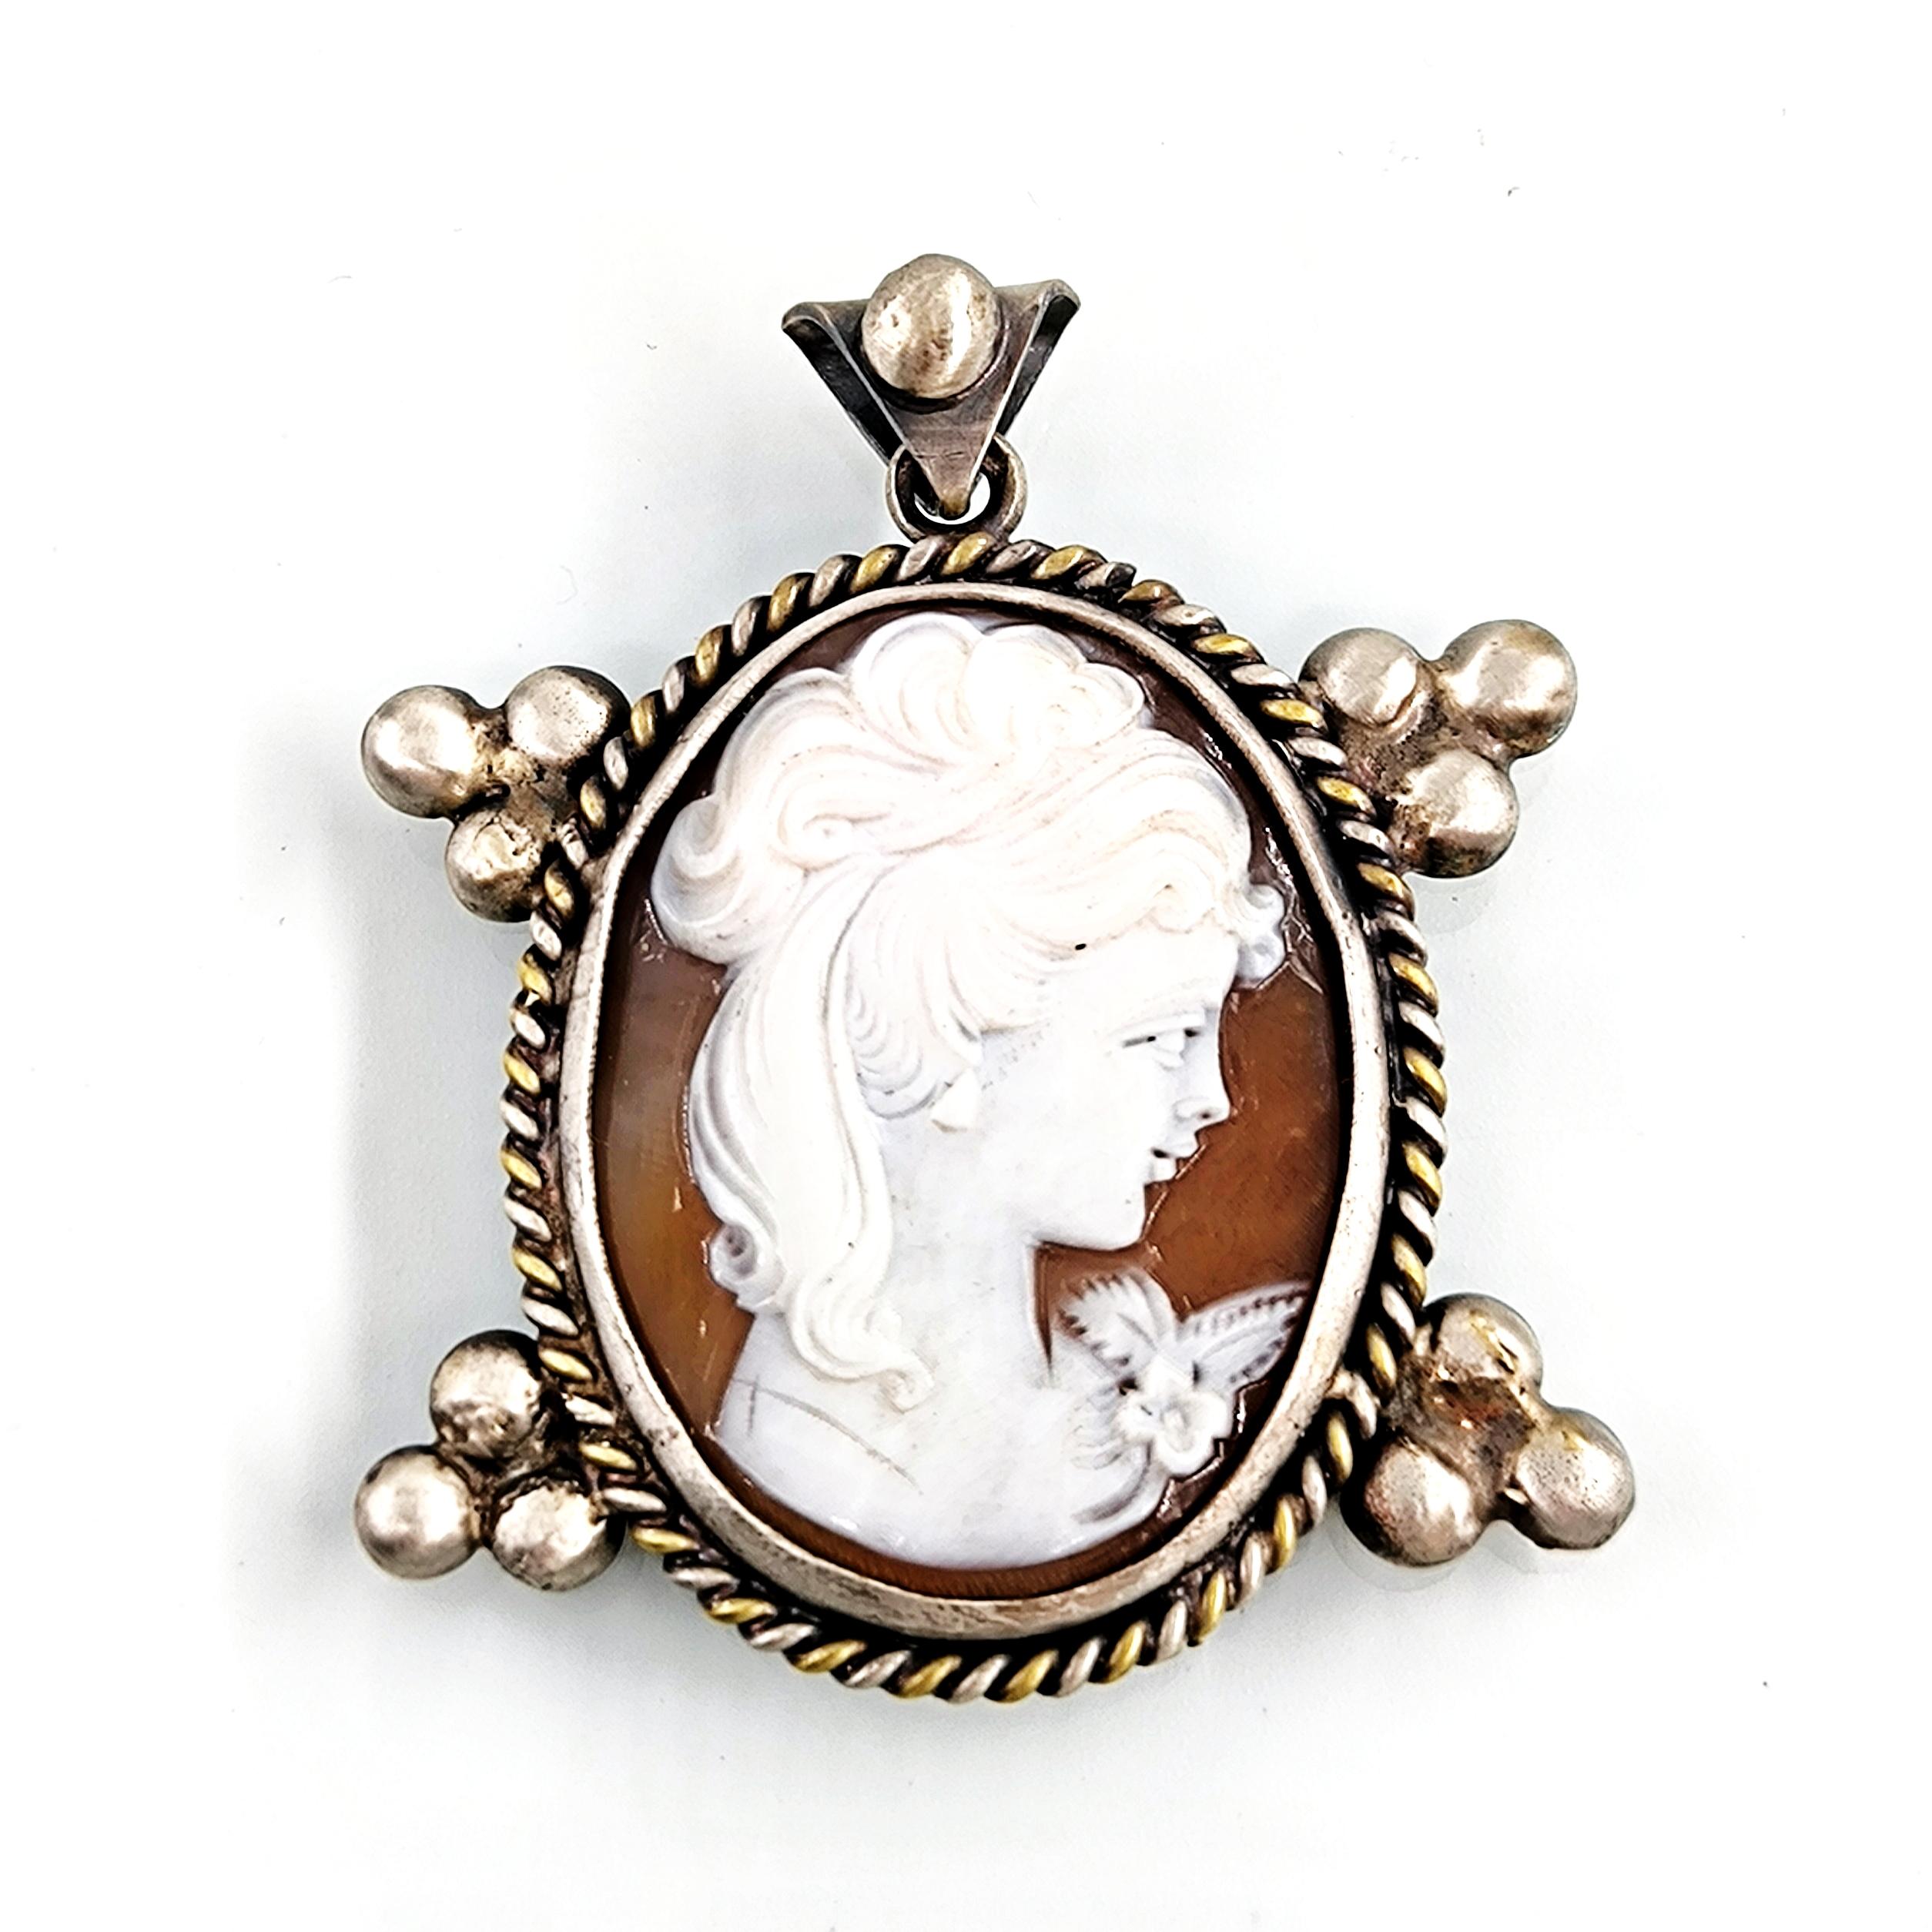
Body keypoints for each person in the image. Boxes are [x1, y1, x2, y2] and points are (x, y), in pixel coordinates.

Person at [651, 609, 1306, 1566]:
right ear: (942, 1032)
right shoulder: (813, 1467)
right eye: (1163, 1036)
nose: (1213, 1096)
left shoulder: (1092, 1417)